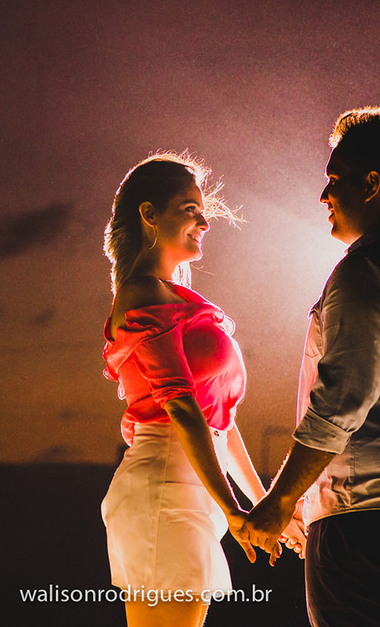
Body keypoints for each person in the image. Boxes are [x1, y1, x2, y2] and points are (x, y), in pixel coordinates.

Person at [240, 107, 380, 626]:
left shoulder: (365, 272)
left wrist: (280, 503)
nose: (324, 196)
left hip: (371, 536)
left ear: (372, 184)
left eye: (334, 179)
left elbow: (339, 405)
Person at [100, 152, 305, 627]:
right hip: (164, 489)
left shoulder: (177, 299)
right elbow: (183, 410)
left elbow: (219, 423)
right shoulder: (142, 294)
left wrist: (260, 506)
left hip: (190, 489)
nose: (205, 222)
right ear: (149, 214)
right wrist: (234, 511)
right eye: (190, 209)